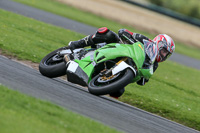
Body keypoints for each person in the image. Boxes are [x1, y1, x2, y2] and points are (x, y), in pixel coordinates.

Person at [67, 27, 175, 97]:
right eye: (164, 50)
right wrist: (130, 38)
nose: (164, 55)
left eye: (167, 54)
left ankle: (102, 77)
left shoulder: (154, 65)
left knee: (118, 92)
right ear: (158, 43)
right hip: (119, 48)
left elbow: (142, 81)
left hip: (127, 66)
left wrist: (144, 79)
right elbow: (123, 31)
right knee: (106, 33)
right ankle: (77, 44)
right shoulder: (144, 39)